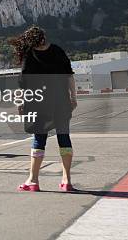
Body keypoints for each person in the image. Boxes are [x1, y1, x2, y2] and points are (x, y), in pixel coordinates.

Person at [9, 26, 78, 192]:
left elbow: (22, 84)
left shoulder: (30, 56)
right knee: (64, 138)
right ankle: (66, 180)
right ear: (43, 37)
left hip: (38, 103)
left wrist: (19, 103)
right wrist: (73, 98)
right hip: (61, 102)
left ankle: (33, 180)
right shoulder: (58, 51)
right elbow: (69, 76)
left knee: (39, 139)